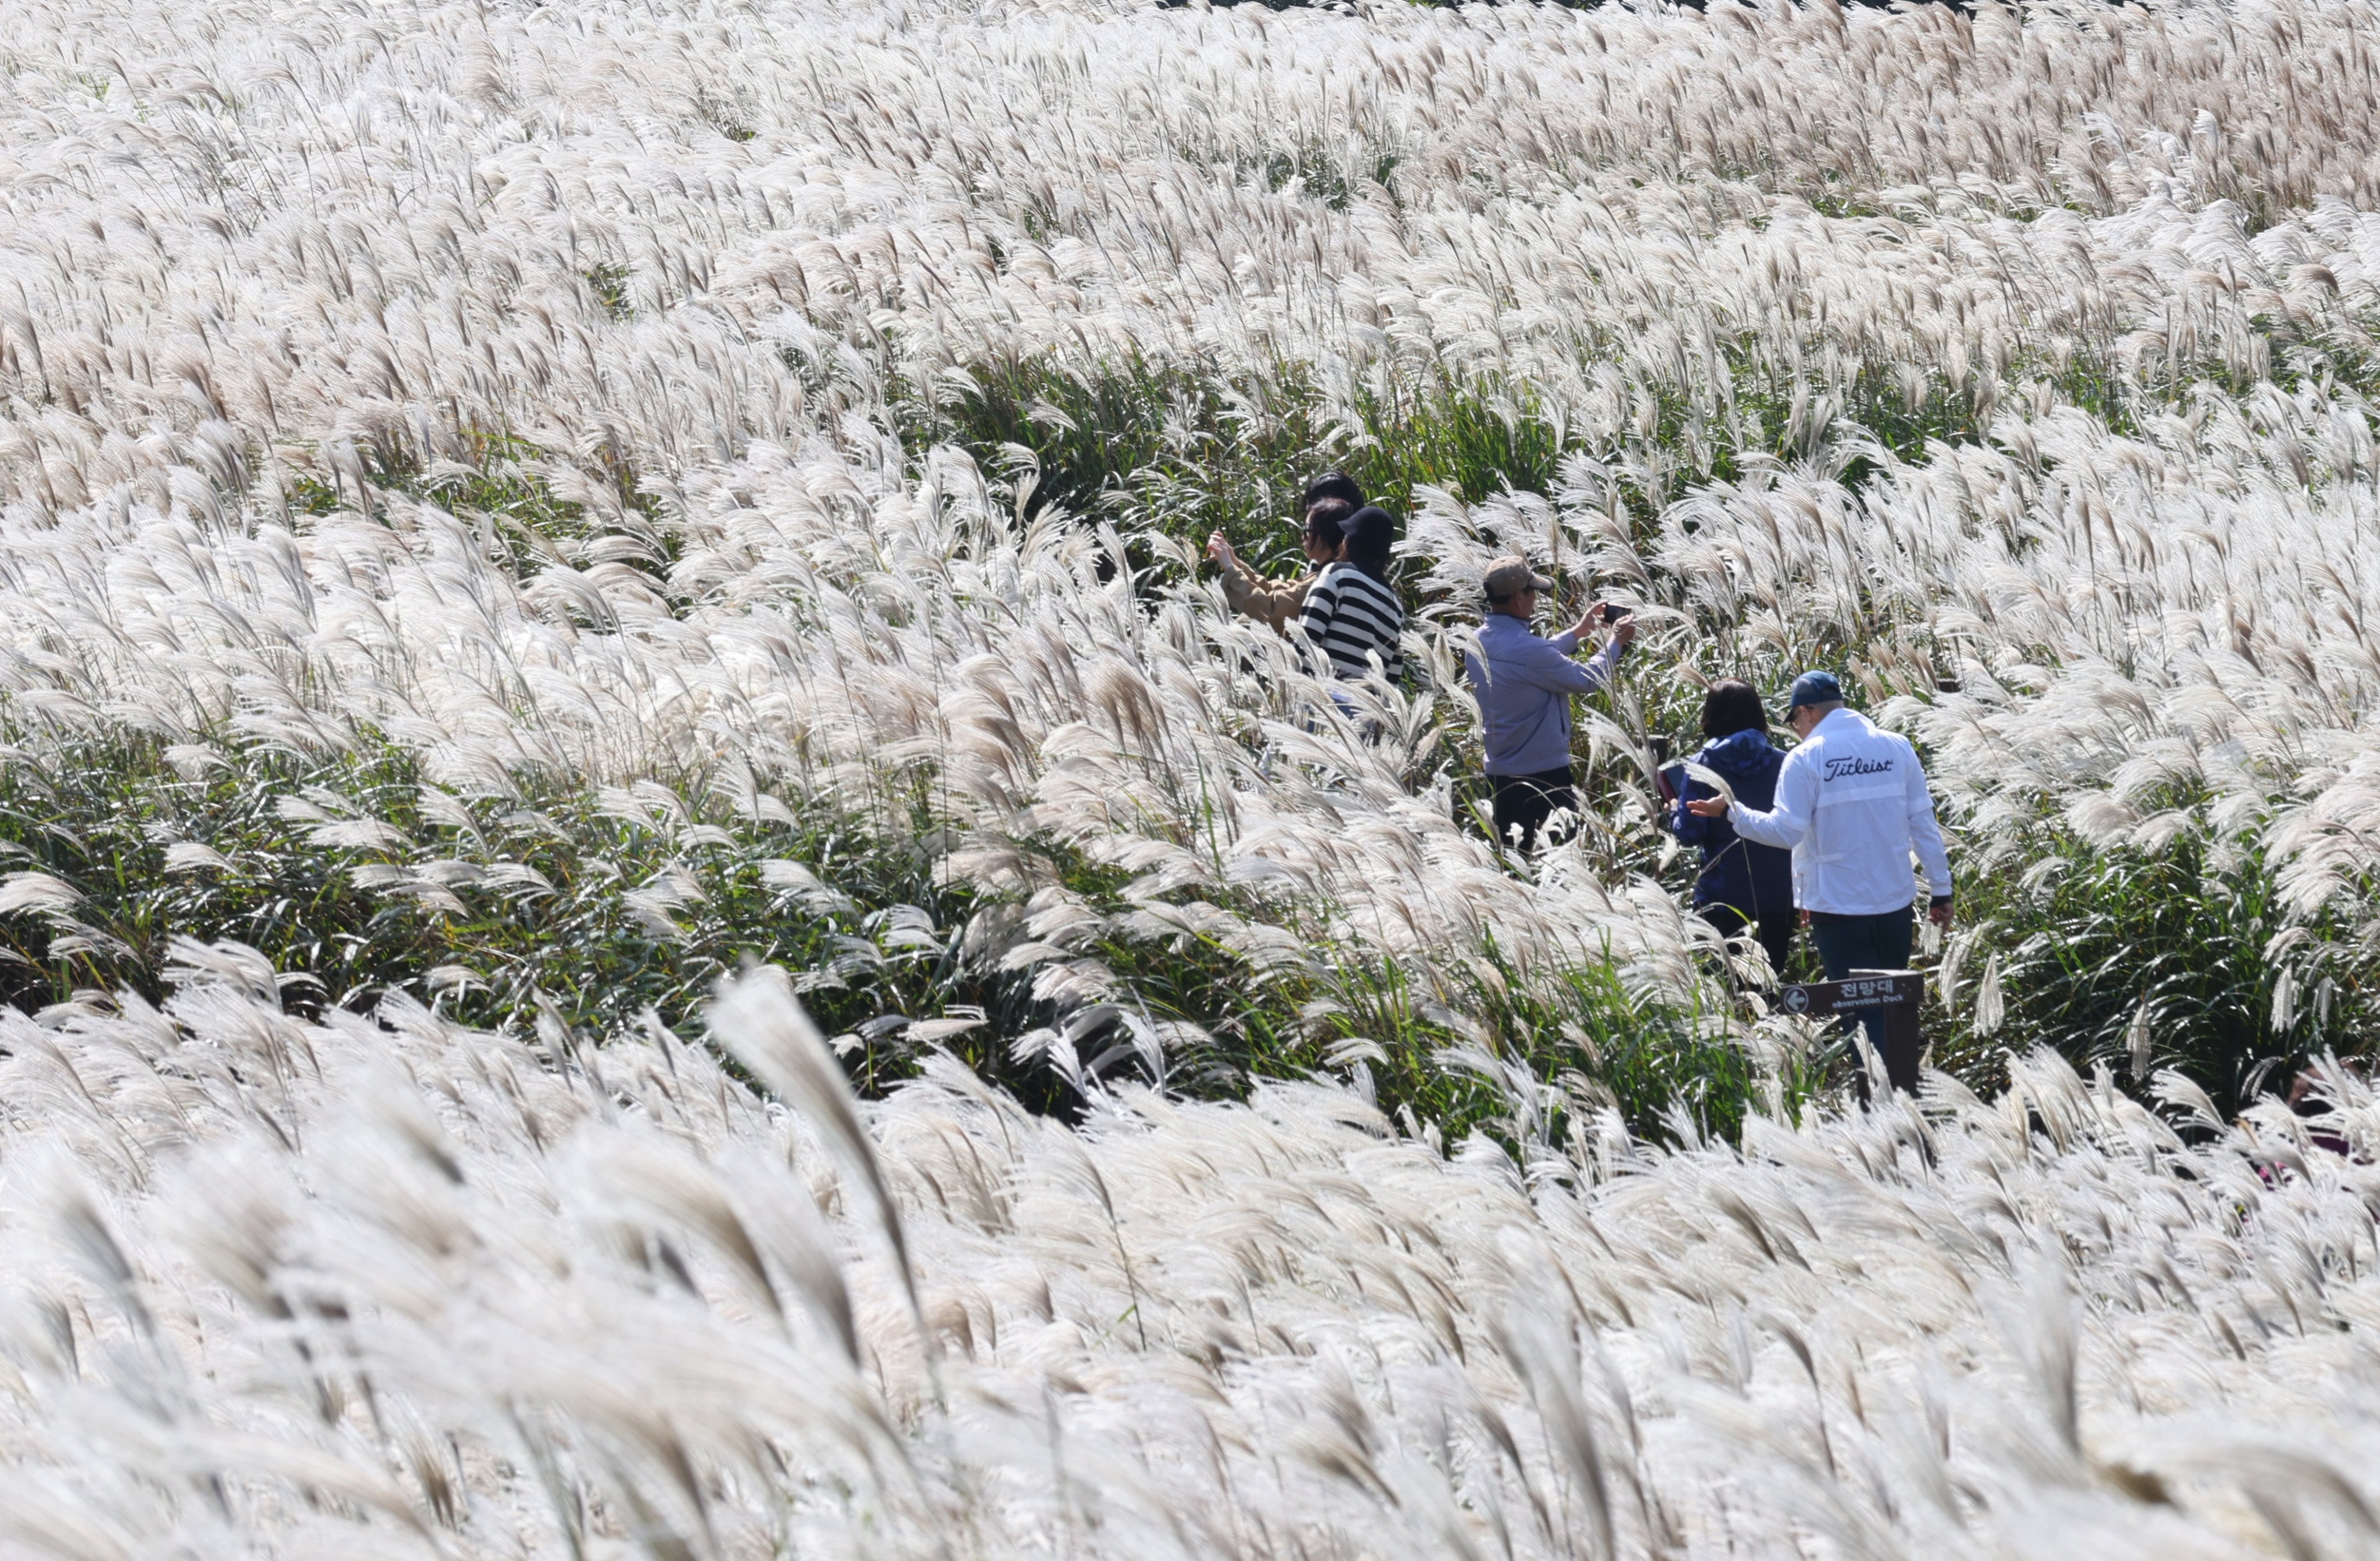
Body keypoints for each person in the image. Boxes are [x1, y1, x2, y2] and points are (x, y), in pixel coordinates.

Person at [1686, 671, 1952, 1087]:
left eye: (1795, 720)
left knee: (1859, 1014)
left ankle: (1882, 1105)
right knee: (1895, 1006)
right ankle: (1902, 1094)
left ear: (1807, 711)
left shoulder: (1806, 758)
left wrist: (1732, 812)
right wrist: (1942, 889)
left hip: (1838, 908)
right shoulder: (1896, 748)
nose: (1795, 730)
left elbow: (1787, 832)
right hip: (1897, 903)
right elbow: (1924, 825)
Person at [1464, 555, 1636, 851]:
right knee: (1559, 868)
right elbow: (1585, 679)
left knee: (1517, 868)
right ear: (1520, 597)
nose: (1535, 601)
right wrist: (1616, 644)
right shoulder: (1528, 651)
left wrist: (1579, 632)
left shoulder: (1476, 642)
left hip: (1499, 779)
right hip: (1543, 779)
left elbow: (1532, 659)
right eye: (1533, 594)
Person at [1662, 680, 1795, 976]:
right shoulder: (1785, 762)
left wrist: (1673, 813)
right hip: (1779, 897)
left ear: (1712, 714)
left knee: (1724, 992)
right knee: (1769, 991)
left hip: (1723, 899)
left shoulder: (1702, 766)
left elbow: (1690, 833)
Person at [1205, 472, 1365, 633]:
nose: (1304, 536)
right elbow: (1280, 593)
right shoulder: (1330, 568)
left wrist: (1232, 571)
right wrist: (1236, 564)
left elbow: (1271, 610)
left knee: (1246, 625)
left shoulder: (1331, 578)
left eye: (1310, 528)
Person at [1298, 505, 1403, 683]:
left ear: (1351, 542)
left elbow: (1305, 641)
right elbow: (1392, 678)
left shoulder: (1338, 576)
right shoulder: (1395, 606)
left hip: (1323, 700)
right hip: (1365, 708)